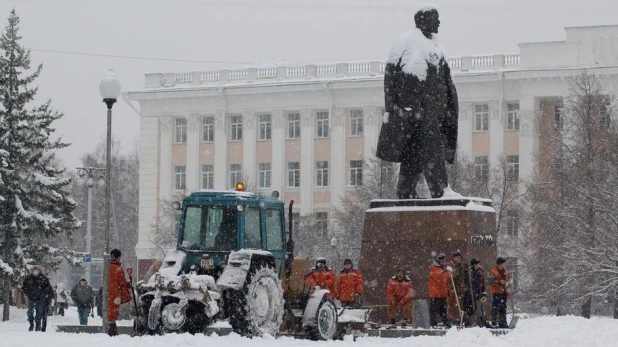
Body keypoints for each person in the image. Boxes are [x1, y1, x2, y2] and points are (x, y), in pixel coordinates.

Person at [376, 4, 458, 199]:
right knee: (432, 151)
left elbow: (446, 83)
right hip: (415, 114)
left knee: (413, 155)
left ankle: (405, 191)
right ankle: (440, 191)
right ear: (423, 20)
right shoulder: (405, 43)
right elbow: (390, 78)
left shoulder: (437, 48)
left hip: (432, 115)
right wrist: (395, 108)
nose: (438, 22)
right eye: (434, 18)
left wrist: (446, 110)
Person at [108, 249, 132, 336]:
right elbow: (116, 282)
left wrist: (127, 284)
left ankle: (112, 331)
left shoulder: (112, 267)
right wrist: (117, 295)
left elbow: (119, 282)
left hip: (113, 293)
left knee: (112, 312)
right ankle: (111, 332)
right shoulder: (115, 268)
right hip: (114, 294)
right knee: (112, 313)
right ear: (117, 257)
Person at [22, 265, 54, 332]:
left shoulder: (44, 278)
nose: (36, 272)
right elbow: (24, 287)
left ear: (39, 271)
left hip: (40, 299)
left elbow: (48, 288)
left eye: (37, 270)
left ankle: (38, 326)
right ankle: (31, 324)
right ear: (32, 271)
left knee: (39, 313)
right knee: (30, 312)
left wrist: (44, 295)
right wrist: (28, 294)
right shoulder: (28, 278)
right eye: (34, 270)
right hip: (31, 298)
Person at [429, 253, 452, 328]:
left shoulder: (442, 269)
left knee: (443, 309)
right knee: (434, 309)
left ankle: (445, 321)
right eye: (444, 261)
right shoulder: (434, 268)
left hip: (443, 293)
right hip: (436, 293)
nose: (445, 263)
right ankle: (433, 323)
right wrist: (448, 273)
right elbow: (441, 278)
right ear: (440, 261)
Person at [447, 251, 470, 325]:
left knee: (460, 304)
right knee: (454, 305)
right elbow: (452, 276)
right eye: (457, 258)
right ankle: (454, 319)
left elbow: (464, 278)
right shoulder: (451, 266)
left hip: (460, 289)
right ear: (454, 258)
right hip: (453, 288)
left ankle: (462, 318)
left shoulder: (462, 266)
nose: (458, 259)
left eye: (460, 258)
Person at [490, 257, 511, 328]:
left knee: (503, 307)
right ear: (500, 264)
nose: (505, 264)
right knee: (495, 307)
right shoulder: (493, 271)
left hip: (504, 292)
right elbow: (491, 281)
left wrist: (509, 289)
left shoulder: (506, 272)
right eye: (504, 263)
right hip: (496, 292)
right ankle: (494, 322)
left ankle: (503, 322)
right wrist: (499, 282)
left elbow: (509, 282)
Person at [467, 258, 488, 327]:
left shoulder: (480, 272)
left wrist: (483, 291)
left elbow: (482, 282)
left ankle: (482, 319)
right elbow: (471, 283)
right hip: (474, 292)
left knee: (481, 306)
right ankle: (477, 320)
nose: (479, 265)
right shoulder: (472, 272)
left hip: (479, 291)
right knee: (475, 306)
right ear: (474, 265)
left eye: (479, 264)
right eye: (477, 264)